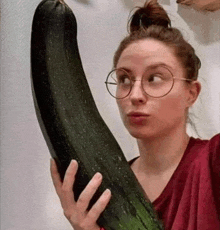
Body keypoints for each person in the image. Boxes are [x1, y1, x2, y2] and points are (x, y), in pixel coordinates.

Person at [50, 0, 220, 229]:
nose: (135, 94)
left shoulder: (213, 162)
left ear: (191, 93)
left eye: (155, 78)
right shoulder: (105, 193)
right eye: (125, 80)